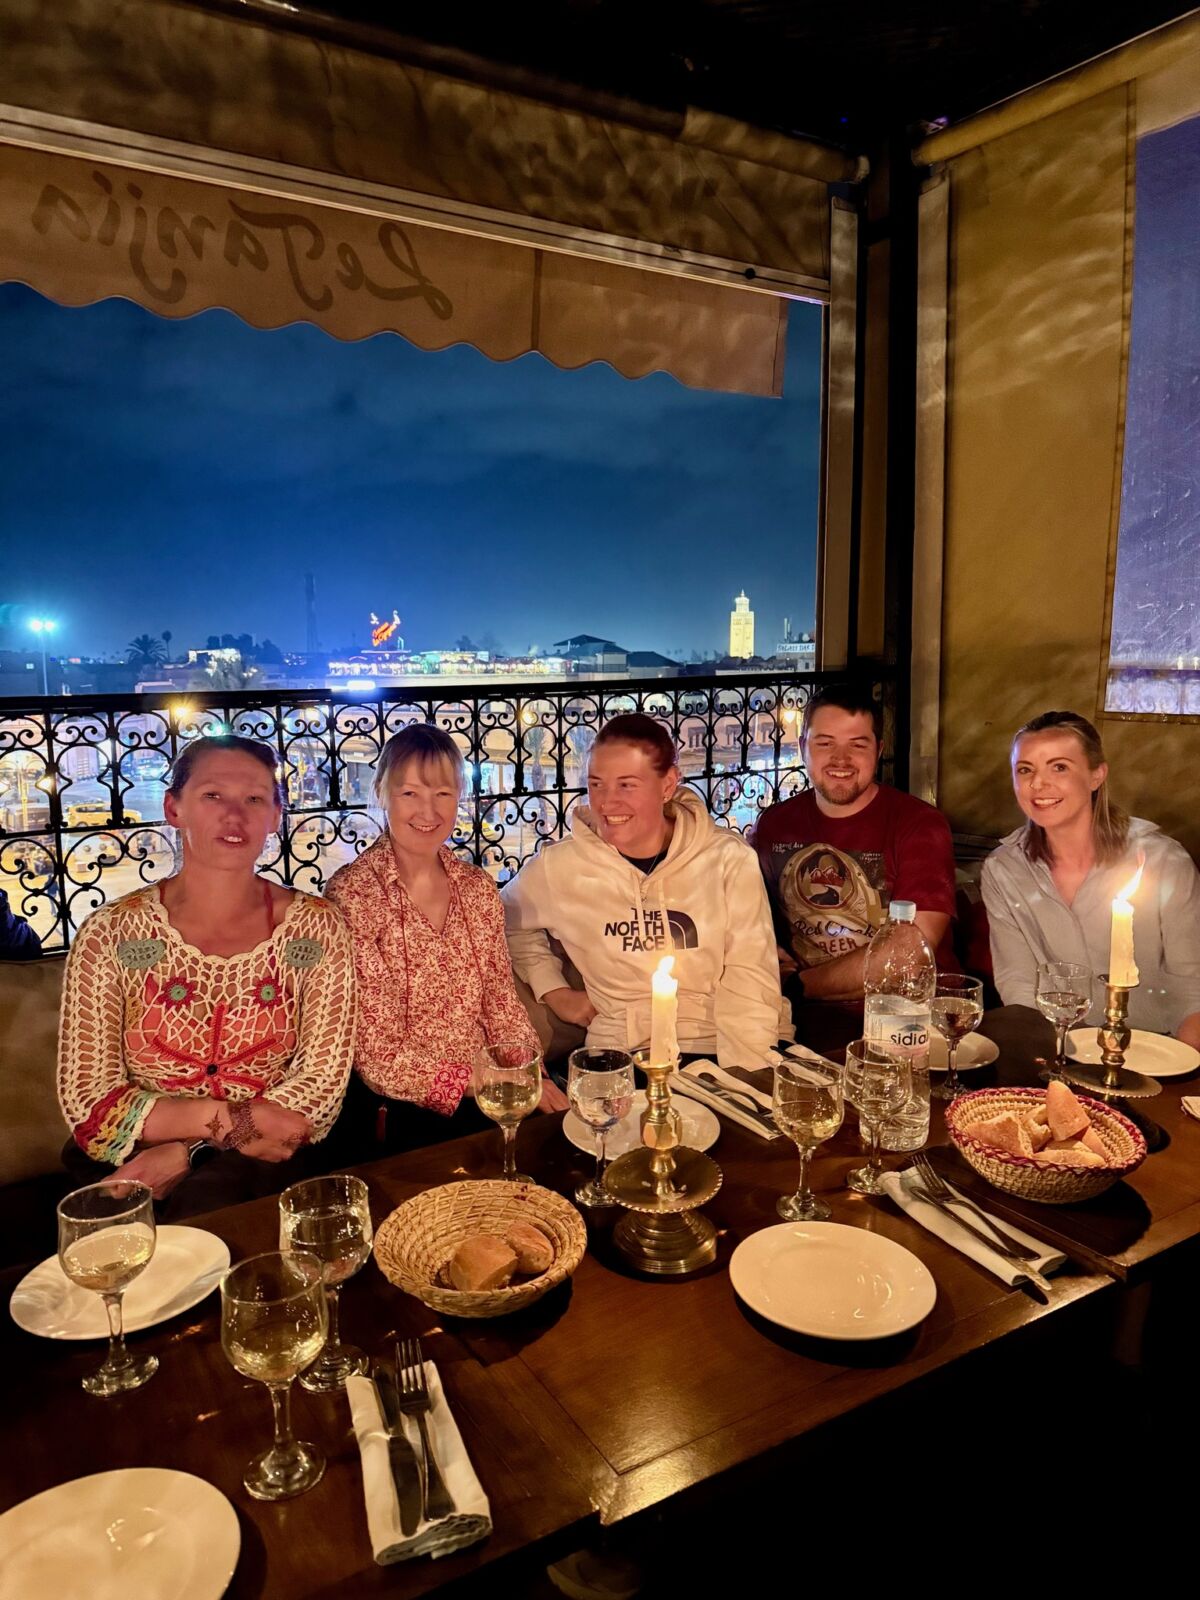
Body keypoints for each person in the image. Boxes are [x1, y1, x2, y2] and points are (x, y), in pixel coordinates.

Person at [56, 734, 355, 1213]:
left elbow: (316, 1092)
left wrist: (188, 1151)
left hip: (265, 1166)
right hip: (128, 1156)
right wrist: (220, 1121)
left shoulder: (314, 930)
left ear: (275, 817)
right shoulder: (112, 934)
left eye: (254, 799)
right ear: (175, 808)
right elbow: (91, 1102)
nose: (234, 816)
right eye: (212, 795)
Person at [326, 723, 564, 1159]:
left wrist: (532, 1074)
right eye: (410, 793)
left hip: (496, 1092)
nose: (428, 811)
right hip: (407, 1107)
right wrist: (485, 1082)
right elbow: (378, 1055)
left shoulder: (475, 887)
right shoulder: (354, 895)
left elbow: (500, 1000)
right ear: (382, 792)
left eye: (443, 794)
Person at [501, 713, 787, 1066]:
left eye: (626, 785)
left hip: (720, 1043)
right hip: (618, 1050)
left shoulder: (726, 859)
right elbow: (503, 918)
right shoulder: (559, 868)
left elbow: (750, 976)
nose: (607, 802)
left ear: (667, 784)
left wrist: (746, 1078)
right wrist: (554, 990)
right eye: (596, 784)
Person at [981, 710, 1200, 1046]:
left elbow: (1192, 981)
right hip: (1060, 1048)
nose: (1038, 784)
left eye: (1059, 767)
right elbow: (1018, 982)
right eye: (1025, 770)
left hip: (1158, 1047)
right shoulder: (1003, 870)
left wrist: (1182, 1070)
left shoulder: (1163, 861)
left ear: (1096, 775)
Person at [753, 685, 955, 1030]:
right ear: (803, 749)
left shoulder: (919, 825)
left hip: (908, 1021)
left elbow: (910, 953)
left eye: (857, 745)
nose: (840, 759)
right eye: (825, 743)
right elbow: (753, 921)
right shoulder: (775, 824)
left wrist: (798, 986)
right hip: (799, 1023)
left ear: (878, 750)